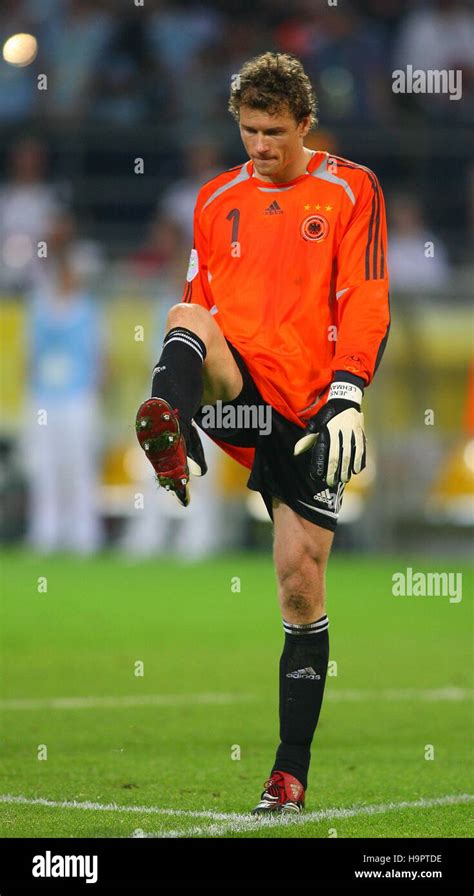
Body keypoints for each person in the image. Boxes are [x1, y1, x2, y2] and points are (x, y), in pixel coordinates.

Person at [135, 52, 390, 814]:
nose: (259, 146)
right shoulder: (215, 200)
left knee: (299, 585)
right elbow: (200, 303)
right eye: (248, 130)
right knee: (185, 318)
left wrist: (348, 393)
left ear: (305, 124)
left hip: (312, 418)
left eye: (274, 131)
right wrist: (192, 408)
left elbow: (368, 299)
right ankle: (166, 420)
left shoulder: (353, 189)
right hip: (240, 399)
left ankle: (288, 774)